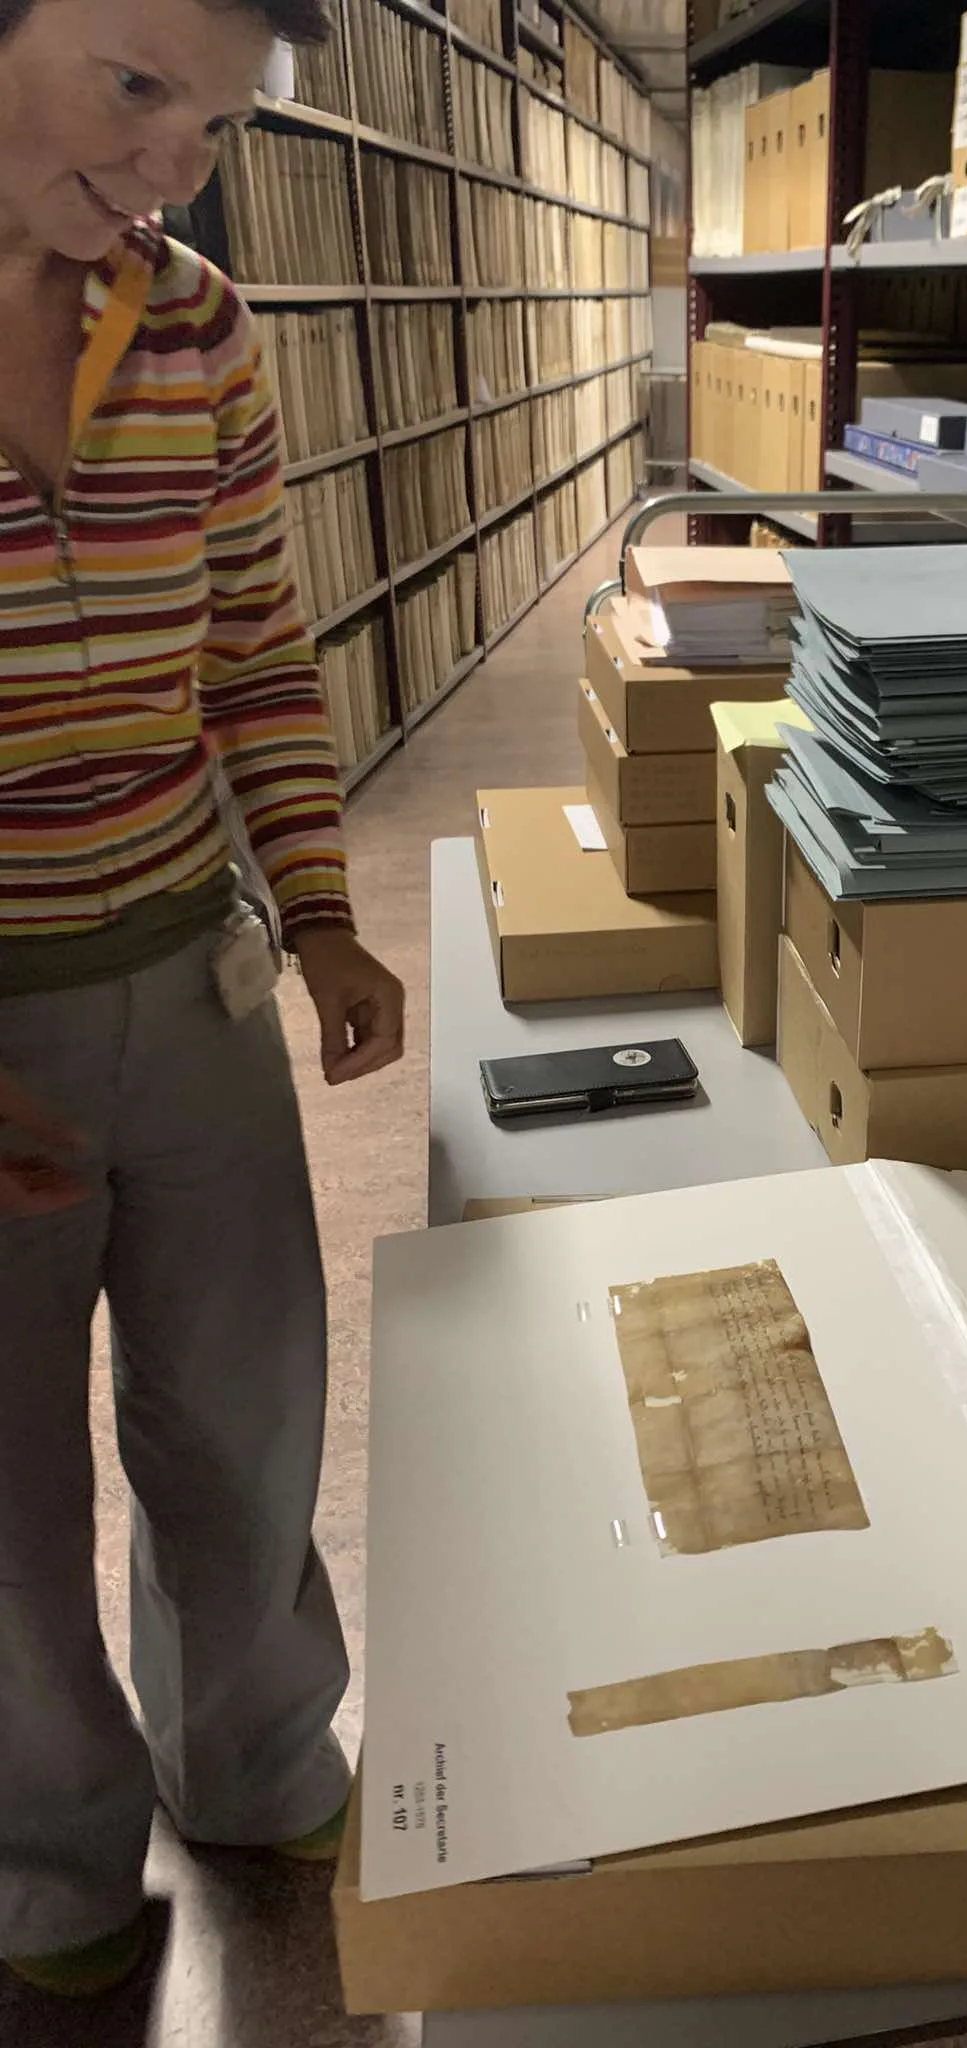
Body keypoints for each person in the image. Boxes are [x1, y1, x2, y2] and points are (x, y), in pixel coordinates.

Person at [0, 0, 404, 1999]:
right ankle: (45, 1863)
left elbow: (251, 645)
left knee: (244, 1414)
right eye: (135, 86)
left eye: (221, 121)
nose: (177, 166)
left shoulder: (200, 327)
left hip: (196, 972)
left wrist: (318, 915)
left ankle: (254, 1760)